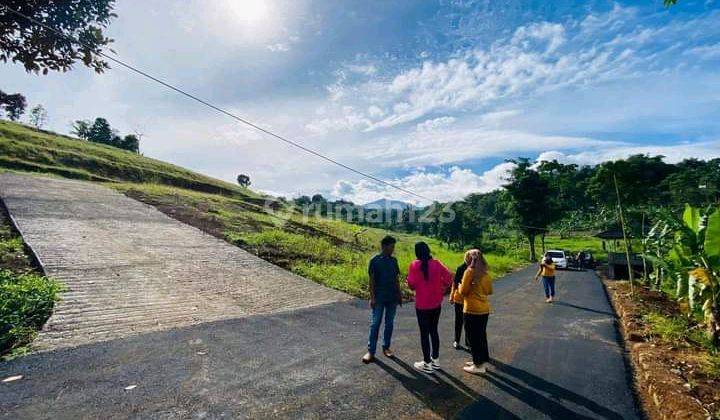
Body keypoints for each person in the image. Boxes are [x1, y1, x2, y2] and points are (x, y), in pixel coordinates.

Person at [407, 241, 453, 373]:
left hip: (422, 304)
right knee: (434, 331)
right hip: (436, 303)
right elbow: (449, 278)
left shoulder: (414, 265)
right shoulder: (437, 264)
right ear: (428, 251)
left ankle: (427, 363)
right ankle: (436, 361)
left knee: (424, 334)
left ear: (417, 252)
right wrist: (443, 287)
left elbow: (412, 285)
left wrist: (408, 281)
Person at [363, 235, 402, 364]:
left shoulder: (393, 261)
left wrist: (399, 294)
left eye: (394, 246)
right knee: (375, 324)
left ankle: (386, 347)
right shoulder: (375, 261)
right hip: (379, 298)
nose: (393, 249)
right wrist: (372, 297)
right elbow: (372, 281)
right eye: (391, 246)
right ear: (384, 246)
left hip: (392, 298)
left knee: (389, 323)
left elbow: (396, 279)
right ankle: (371, 351)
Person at [458, 249, 493, 375]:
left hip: (471, 310)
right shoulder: (485, 273)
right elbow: (489, 291)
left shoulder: (469, 272)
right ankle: (480, 360)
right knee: (481, 336)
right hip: (484, 309)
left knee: (473, 338)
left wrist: (461, 285)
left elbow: (462, 292)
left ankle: (478, 366)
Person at [449, 256, 471, 350]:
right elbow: (455, 283)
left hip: (470, 300)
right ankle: (456, 340)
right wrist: (451, 296)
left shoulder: (475, 270)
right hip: (459, 299)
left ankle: (468, 343)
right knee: (459, 320)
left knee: (468, 322)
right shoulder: (461, 268)